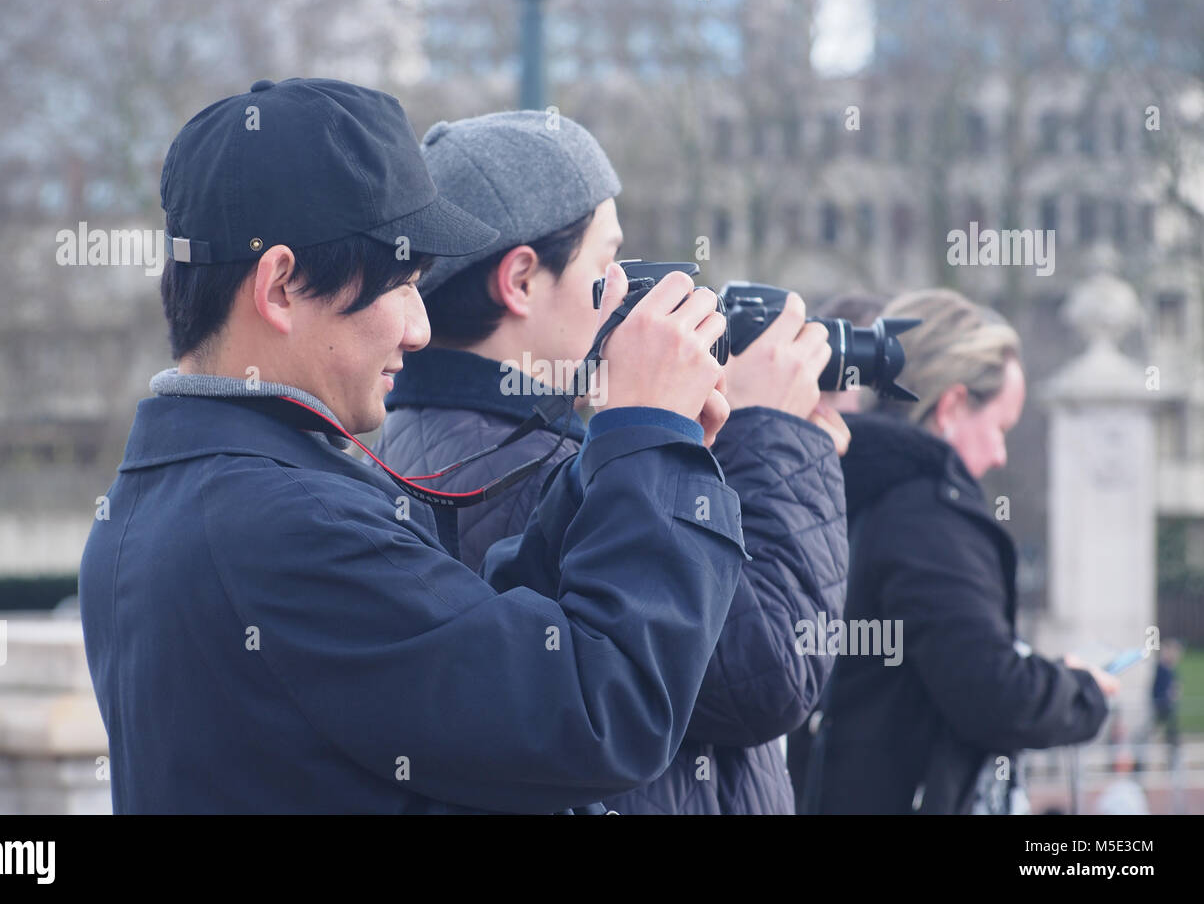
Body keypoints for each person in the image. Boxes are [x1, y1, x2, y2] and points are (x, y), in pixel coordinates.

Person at [77, 79, 751, 814]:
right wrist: (652, 440)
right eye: (401, 285)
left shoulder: (175, 494)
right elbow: (600, 715)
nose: (418, 328)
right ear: (279, 288)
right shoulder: (283, 525)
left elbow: (469, 647)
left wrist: (621, 456)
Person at [373, 110, 851, 814]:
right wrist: (771, 433)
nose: (626, 292)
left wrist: (679, 454)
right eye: (607, 267)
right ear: (521, 281)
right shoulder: (533, 472)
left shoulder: (415, 447)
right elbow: (768, 672)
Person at [800, 288, 1117, 814]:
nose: (999, 454)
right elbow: (989, 694)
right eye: (999, 427)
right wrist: (1081, 692)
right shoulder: (928, 519)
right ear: (950, 406)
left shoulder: (845, 485)